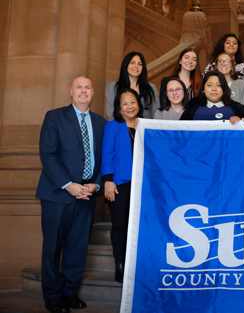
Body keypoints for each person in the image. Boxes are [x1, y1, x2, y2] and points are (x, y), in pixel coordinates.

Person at [36, 77, 106, 313]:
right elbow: (48, 154)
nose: (83, 91)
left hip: (87, 194)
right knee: (53, 247)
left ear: (93, 93)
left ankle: (69, 292)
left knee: (77, 248)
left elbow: (105, 159)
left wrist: (96, 184)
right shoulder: (54, 116)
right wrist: (68, 184)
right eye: (79, 87)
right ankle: (53, 295)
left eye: (87, 87)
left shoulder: (100, 122)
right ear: (71, 92)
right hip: (58, 193)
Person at [102, 88, 142, 284]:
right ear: (119, 108)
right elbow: (107, 154)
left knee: (140, 225)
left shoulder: (146, 125)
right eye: (125, 103)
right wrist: (108, 180)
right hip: (120, 183)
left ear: (138, 104)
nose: (129, 106)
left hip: (143, 184)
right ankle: (121, 265)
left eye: (133, 102)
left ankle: (137, 264)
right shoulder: (112, 126)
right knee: (120, 225)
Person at [180, 71, 244, 124]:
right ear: (203, 89)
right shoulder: (192, 105)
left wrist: (240, 122)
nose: (214, 89)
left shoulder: (239, 109)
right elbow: (180, 131)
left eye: (218, 85)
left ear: (224, 89)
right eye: (209, 85)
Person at [106, 52, 158, 120]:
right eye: (132, 62)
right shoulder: (113, 87)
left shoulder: (151, 88)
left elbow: (156, 115)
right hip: (121, 128)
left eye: (140, 64)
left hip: (145, 128)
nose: (136, 66)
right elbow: (111, 115)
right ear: (126, 65)